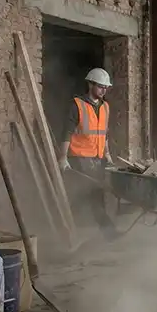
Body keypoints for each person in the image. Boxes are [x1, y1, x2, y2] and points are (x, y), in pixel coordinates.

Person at [58, 68, 117, 241]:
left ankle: (107, 234)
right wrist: (63, 157)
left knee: (97, 196)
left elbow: (104, 133)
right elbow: (66, 133)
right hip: (79, 159)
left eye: (106, 87)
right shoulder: (77, 105)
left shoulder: (105, 107)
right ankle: (77, 234)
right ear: (90, 84)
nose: (104, 91)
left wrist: (108, 154)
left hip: (97, 159)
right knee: (81, 197)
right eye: (100, 87)